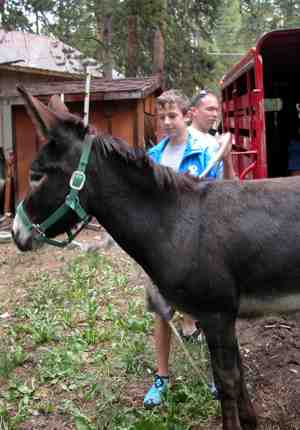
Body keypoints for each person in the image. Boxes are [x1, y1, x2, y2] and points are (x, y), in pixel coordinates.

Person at [143, 89, 236, 408]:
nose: (167, 122)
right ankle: (162, 377)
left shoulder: (208, 149)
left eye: (173, 116)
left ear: (186, 116)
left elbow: (223, 198)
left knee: (206, 311)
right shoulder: (154, 156)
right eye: (162, 117)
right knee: (161, 312)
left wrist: (219, 166)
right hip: (163, 249)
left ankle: (216, 376)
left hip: (200, 247)